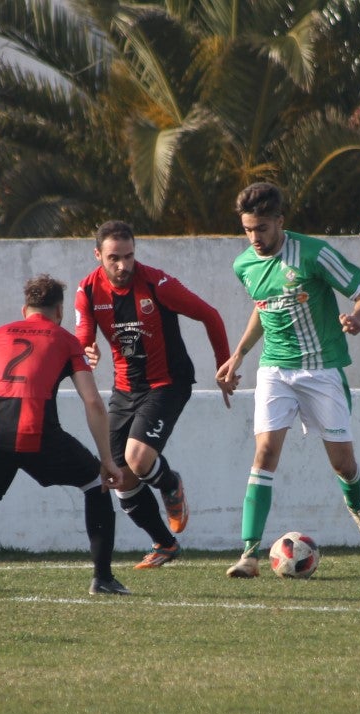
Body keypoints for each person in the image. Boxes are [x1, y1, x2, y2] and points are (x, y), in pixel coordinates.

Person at [0, 274, 131, 596]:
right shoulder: (64, 339)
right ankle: (102, 579)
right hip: (37, 432)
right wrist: (108, 460)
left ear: (25, 308)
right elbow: (93, 402)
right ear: (58, 311)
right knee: (94, 483)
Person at [215, 182, 360, 579]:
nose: (255, 238)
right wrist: (238, 354)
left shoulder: (313, 253)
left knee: (342, 464)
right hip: (275, 370)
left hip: (322, 371)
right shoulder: (245, 265)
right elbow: (263, 308)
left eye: (262, 229)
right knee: (265, 454)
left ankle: (356, 505)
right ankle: (249, 554)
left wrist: (356, 318)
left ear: (279, 222)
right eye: (248, 229)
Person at [75, 220, 235, 569]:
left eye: (129, 256)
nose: (123, 265)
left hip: (167, 384)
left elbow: (211, 315)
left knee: (138, 458)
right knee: (118, 475)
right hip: (125, 389)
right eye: (114, 258)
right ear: (98, 255)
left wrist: (224, 366)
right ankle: (165, 544)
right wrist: (88, 348)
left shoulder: (158, 284)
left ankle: (170, 483)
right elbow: (84, 332)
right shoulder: (87, 290)